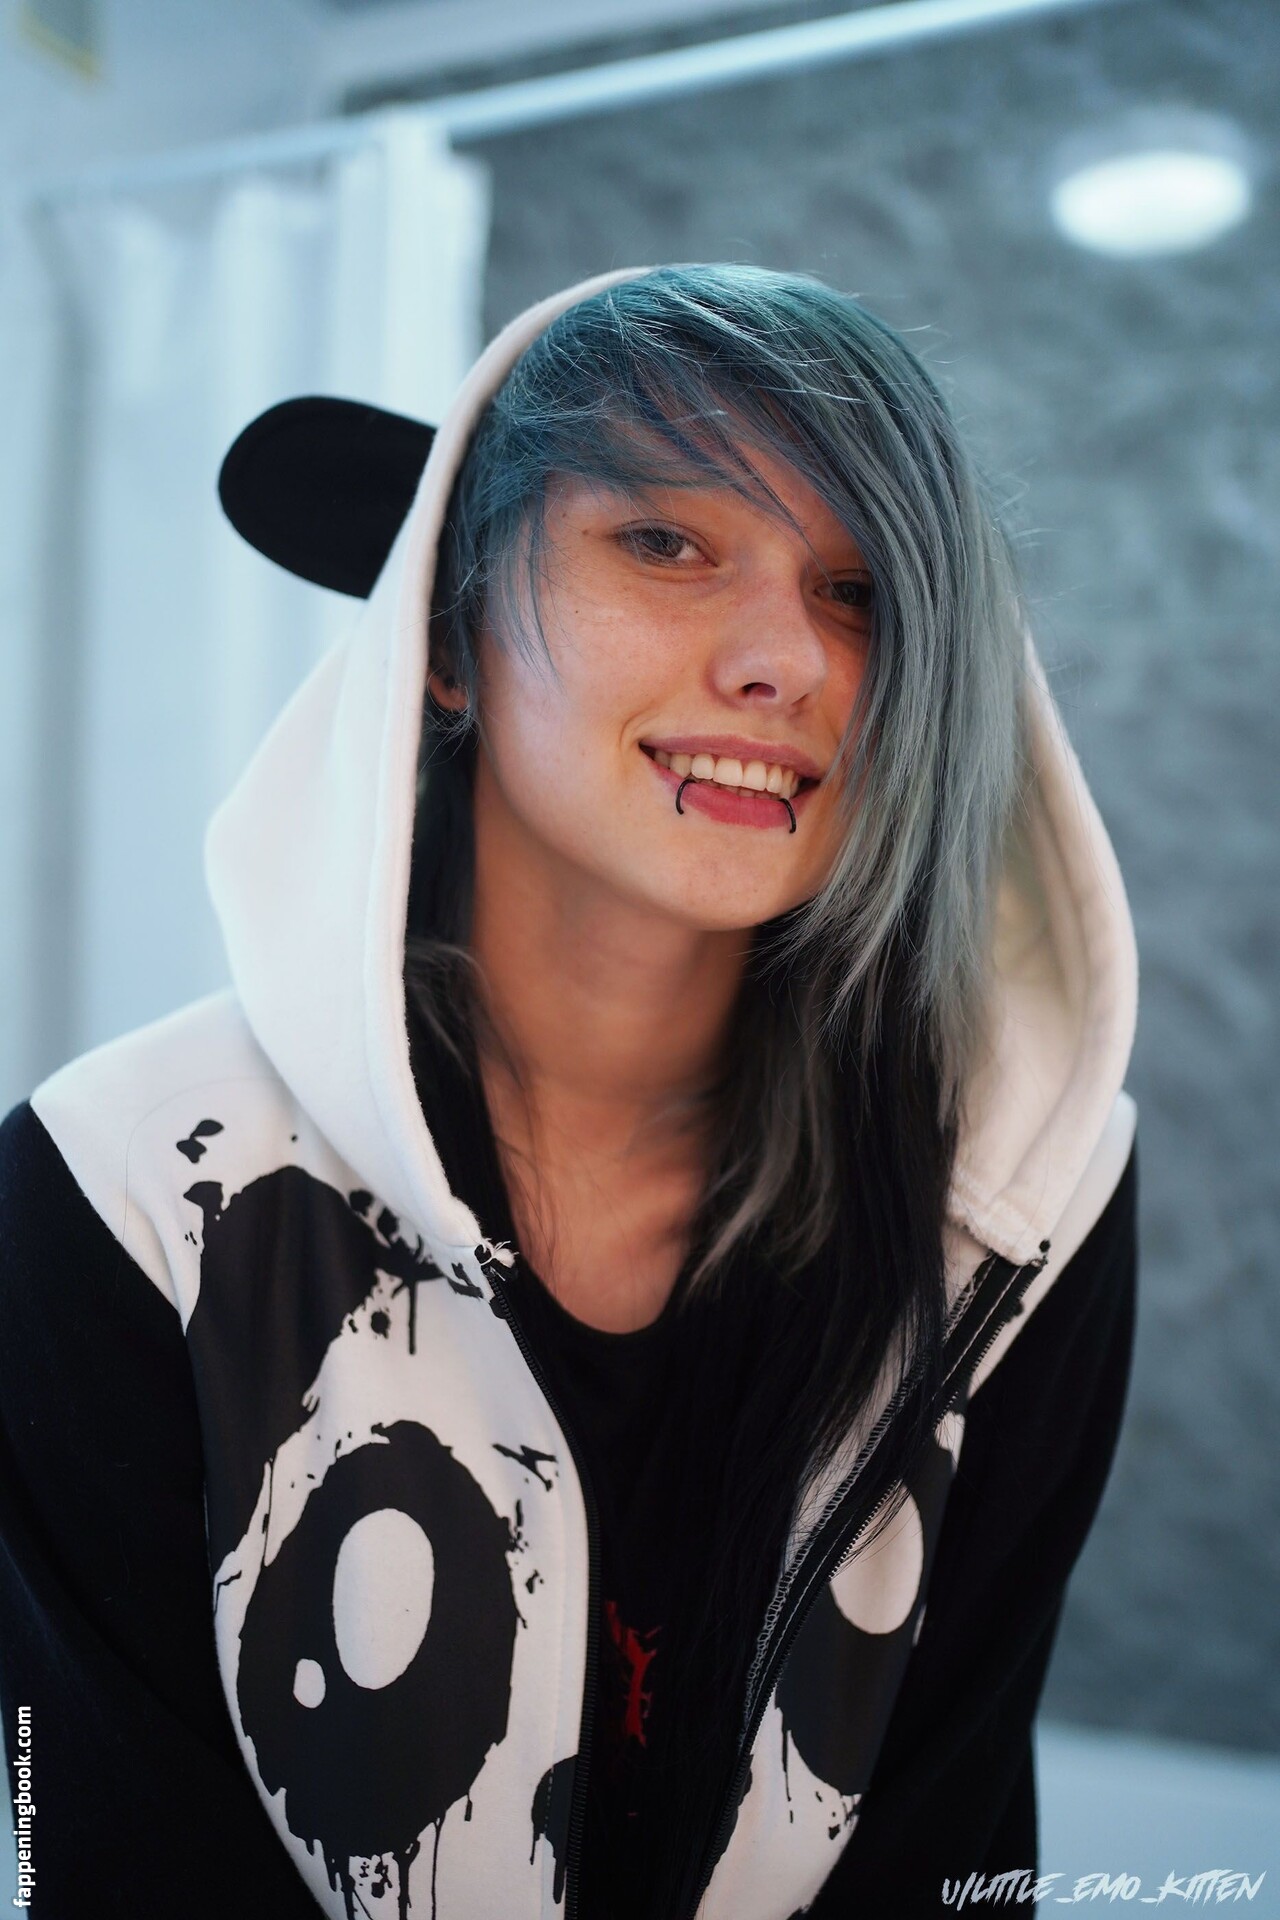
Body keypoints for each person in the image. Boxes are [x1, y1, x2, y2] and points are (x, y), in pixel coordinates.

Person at [0, 263, 1138, 1920]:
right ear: (444, 634)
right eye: (666, 542)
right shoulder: (123, 1188)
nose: (785, 661)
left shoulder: (1019, 1203)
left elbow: (952, 1852)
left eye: (860, 590)